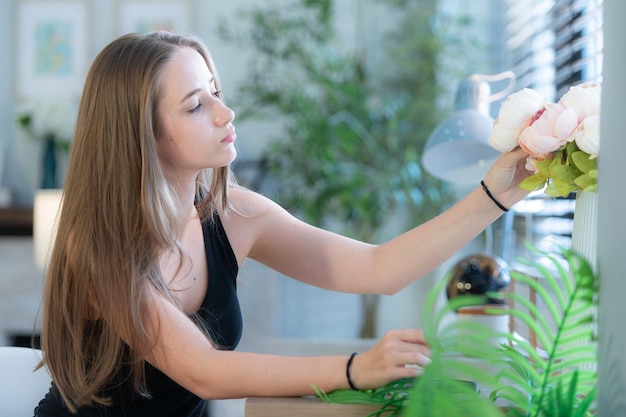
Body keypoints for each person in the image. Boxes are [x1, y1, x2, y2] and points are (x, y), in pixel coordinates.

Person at [34, 31, 531, 417]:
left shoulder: (234, 214)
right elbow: (204, 371)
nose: (226, 112)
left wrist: (496, 195)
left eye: (215, 92)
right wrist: (356, 368)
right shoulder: (100, 247)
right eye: (195, 105)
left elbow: (379, 268)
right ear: (143, 135)